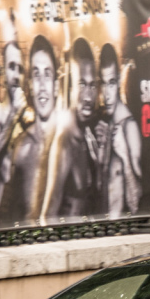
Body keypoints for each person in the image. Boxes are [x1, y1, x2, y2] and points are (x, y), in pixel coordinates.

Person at [43, 38, 101, 219]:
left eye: (92, 86)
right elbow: (48, 214)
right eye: (82, 84)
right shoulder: (64, 141)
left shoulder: (88, 135)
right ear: (70, 87)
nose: (88, 96)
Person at [6, 35, 60, 220]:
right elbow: (11, 213)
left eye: (48, 74)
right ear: (30, 84)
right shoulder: (21, 148)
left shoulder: (71, 140)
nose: (43, 86)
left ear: (56, 86)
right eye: (36, 75)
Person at [97, 44, 142, 217]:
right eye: (102, 83)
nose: (106, 93)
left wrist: (125, 157)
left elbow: (137, 202)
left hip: (124, 229)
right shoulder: (104, 123)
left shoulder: (129, 127)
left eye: (111, 83)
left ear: (118, 82)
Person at [0, 39, 28, 212]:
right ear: (3, 73)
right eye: (11, 67)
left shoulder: (26, 117)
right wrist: (13, 115)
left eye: (20, 69)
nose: (16, 76)